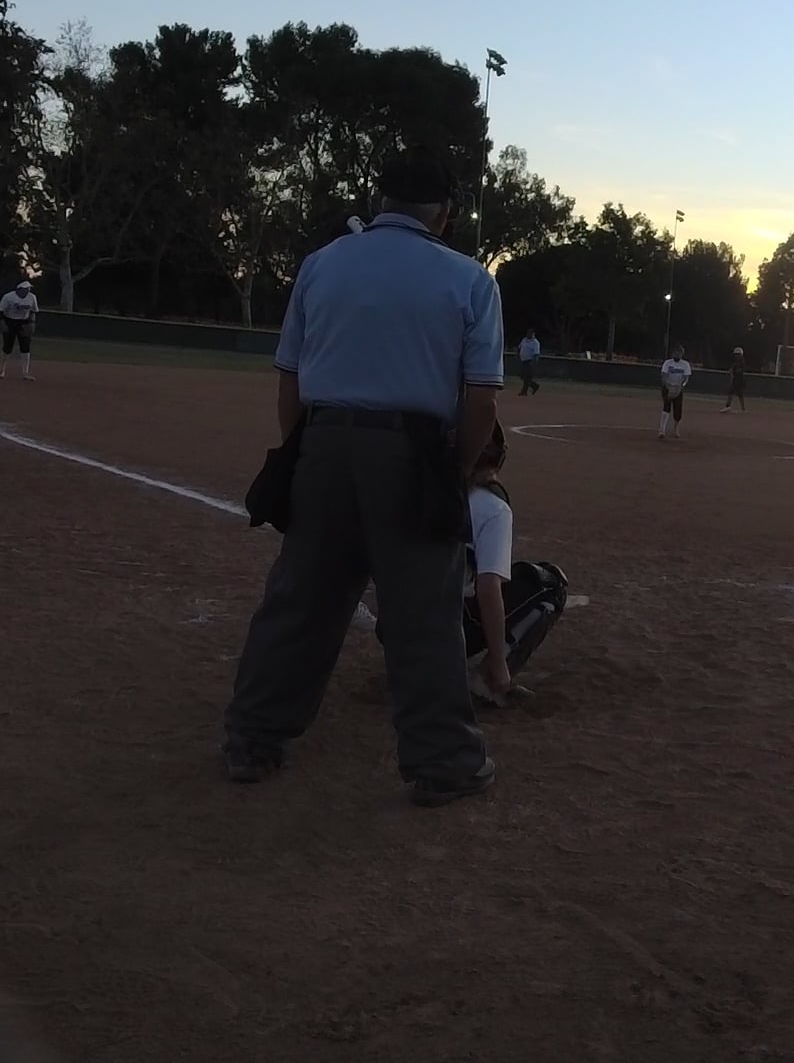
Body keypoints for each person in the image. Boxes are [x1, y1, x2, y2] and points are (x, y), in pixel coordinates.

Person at [223, 147, 503, 808]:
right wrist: (454, 471)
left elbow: (290, 379)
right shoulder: (470, 280)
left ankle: (252, 740)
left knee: (299, 600)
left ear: (381, 201)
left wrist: (303, 451)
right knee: (424, 614)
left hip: (322, 443)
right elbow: (481, 400)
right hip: (413, 452)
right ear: (443, 213)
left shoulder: (322, 264)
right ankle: (443, 762)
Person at [462, 424, 569, 703]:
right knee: (550, 584)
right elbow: (488, 588)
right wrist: (499, 661)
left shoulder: (424, 490)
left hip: (399, 628)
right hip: (446, 627)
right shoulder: (492, 507)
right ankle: (488, 678)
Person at [0, 281, 38, 380]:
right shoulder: (8, 297)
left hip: (24, 323)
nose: (27, 291)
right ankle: (2, 370)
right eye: (25, 289)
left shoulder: (32, 297)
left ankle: (25, 373)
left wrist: (32, 323)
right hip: (10, 321)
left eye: (28, 289)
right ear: (19, 289)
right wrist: (3, 323)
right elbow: (0, 310)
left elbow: (33, 311)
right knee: (7, 347)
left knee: (25, 346)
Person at [659, 345, 692, 439]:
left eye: (679, 353)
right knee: (666, 407)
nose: (677, 354)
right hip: (667, 387)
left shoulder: (685, 364)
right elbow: (663, 376)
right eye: (675, 352)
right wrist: (668, 388)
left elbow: (686, 379)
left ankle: (676, 429)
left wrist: (680, 387)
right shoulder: (667, 363)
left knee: (678, 410)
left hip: (678, 389)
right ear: (672, 353)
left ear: (682, 354)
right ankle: (662, 430)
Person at [517, 329, 542, 396]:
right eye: (528, 333)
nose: (529, 334)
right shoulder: (524, 340)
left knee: (526, 377)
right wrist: (518, 354)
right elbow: (519, 347)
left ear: (533, 334)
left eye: (531, 333)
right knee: (523, 377)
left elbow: (536, 354)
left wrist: (534, 363)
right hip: (523, 360)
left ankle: (524, 391)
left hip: (529, 361)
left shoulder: (535, 343)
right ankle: (534, 386)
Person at [722, 346, 747, 413]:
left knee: (732, 392)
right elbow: (733, 368)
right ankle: (743, 409)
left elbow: (740, 370)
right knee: (738, 394)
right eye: (735, 354)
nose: (736, 356)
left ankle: (728, 406)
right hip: (736, 379)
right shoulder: (736, 362)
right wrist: (731, 370)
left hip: (739, 380)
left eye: (738, 354)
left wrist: (733, 371)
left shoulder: (742, 361)